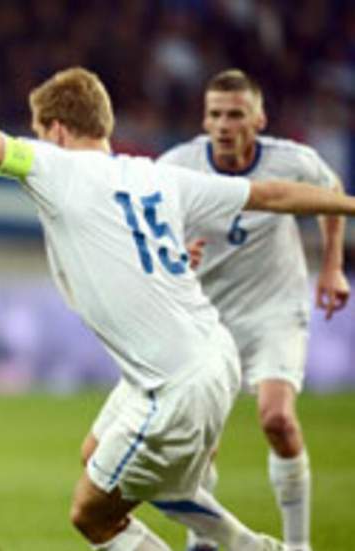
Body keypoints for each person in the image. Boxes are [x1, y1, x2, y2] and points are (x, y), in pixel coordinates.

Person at [0, 29, 355, 550]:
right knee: (101, 454)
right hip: (210, 358)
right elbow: (274, 195)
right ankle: (248, 545)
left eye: (40, 131)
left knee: (92, 515)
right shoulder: (158, 176)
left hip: (174, 381)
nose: (38, 141)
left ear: (58, 130)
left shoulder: (53, 166)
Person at [158, 69, 346, 551]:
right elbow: (148, 225)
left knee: (277, 419)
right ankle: (201, 542)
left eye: (235, 114)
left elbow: (333, 198)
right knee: (200, 443)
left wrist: (331, 266)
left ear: (258, 119)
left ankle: (298, 545)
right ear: (204, 118)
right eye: (215, 114)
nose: (223, 124)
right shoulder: (178, 164)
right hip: (206, 315)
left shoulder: (293, 161)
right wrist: (176, 252)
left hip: (274, 309)